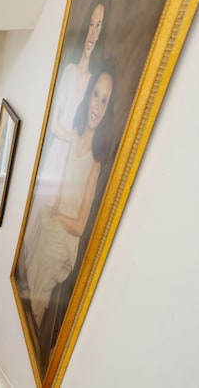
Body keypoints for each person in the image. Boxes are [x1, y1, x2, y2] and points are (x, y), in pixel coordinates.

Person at [23, 60, 116, 331]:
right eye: (95, 95)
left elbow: (79, 225)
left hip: (67, 236)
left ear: (108, 109)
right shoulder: (75, 139)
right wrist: (53, 210)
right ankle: (29, 295)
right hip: (55, 217)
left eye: (104, 100)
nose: (97, 104)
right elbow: (61, 190)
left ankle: (35, 315)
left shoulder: (95, 163)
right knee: (39, 217)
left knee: (47, 249)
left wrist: (58, 215)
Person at [32, 0, 111, 215]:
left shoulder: (95, 85)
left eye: (99, 27)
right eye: (91, 24)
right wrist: (71, 137)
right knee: (42, 208)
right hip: (58, 154)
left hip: (73, 164)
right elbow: (53, 123)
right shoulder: (68, 72)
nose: (92, 33)